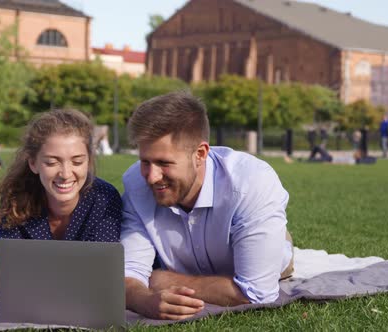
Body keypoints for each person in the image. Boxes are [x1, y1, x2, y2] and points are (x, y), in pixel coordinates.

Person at [121, 92, 294, 320]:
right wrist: (144, 301)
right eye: (145, 161)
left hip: (264, 255)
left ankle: (282, 241)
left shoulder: (251, 183)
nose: (152, 177)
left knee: (275, 253)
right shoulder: (136, 183)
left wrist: (161, 280)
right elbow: (128, 274)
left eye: (164, 163)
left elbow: (258, 293)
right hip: (198, 264)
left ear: (200, 154)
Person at [0, 109, 122, 291]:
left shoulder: (103, 198)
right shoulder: (18, 196)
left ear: (89, 161)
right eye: (51, 162)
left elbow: (99, 277)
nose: (65, 174)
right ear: (33, 163)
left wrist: (3, 279)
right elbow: (8, 277)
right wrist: (4, 278)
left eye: (77, 162)